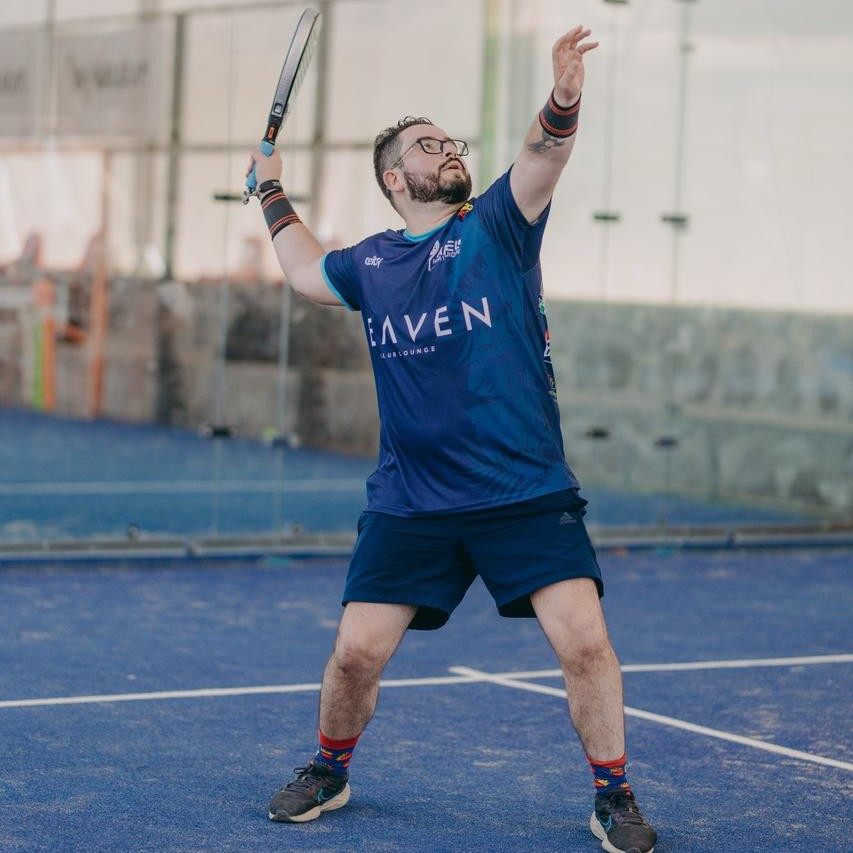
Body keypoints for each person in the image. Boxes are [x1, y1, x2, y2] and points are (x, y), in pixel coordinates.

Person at [246, 25, 657, 853]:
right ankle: (330, 768)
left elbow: (542, 154)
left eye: (451, 142)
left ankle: (612, 793)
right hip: (411, 500)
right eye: (428, 146)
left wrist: (563, 97)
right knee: (354, 656)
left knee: (584, 642)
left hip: (523, 490)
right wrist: (269, 191)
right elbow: (302, 271)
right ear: (396, 179)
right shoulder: (371, 265)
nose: (448, 151)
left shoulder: (496, 225)